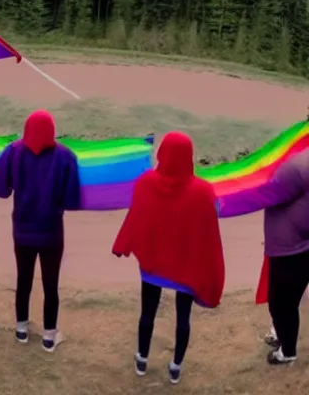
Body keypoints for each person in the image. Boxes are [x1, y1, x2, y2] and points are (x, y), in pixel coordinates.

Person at [112, 131, 225, 385]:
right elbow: (214, 215)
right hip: (186, 266)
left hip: (153, 262)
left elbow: (136, 216)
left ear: (162, 153)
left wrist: (124, 242)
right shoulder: (204, 192)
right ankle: (176, 367)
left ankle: (142, 359)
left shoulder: (144, 183)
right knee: (183, 317)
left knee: (147, 313)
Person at [0, 110, 81, 352]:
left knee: (23, 279)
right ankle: (49, 336)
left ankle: (21, 329)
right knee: (51, 284)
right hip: (51, 232)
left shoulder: (13, 151)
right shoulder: (66, 156)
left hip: (23, 230)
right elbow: (72, 200)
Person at [218, 150, 309, 365]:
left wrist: (221, 199)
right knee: (289, 302)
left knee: (280, 305)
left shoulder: (297, 167)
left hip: (291, 249)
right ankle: (283, 338)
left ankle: (287, 353)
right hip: (298, 246)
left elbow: (264, 194)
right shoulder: (300, 164)